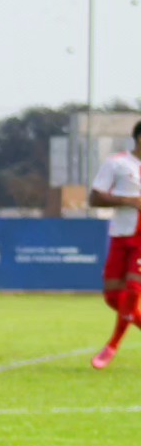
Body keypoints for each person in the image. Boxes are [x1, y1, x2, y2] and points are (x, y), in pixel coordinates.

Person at [88, 120, 141, 369]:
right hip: (121, 234)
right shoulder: (117, 163)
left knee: (133, 290)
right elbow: (94, 198)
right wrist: (128, 201)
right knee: (112, 297)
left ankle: (111, 346)